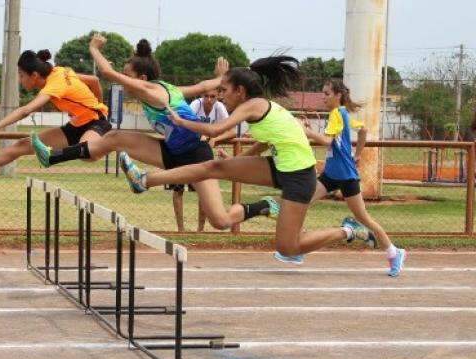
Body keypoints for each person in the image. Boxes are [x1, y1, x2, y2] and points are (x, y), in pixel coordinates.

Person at [119, 55, 378, 262]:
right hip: (280, 166)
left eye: (224, 90)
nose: (220, 96)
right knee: (213, 167)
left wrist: (179, 120)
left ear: (240, 91)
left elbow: (213, 130)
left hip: (299, 177)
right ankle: (144, 179)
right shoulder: (257, 107)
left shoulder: (252, 105)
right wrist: (239, 160)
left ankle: (348, 230)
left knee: (289, 248)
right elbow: (265, 141)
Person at [31, 34, 277, 231]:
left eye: (128, 75)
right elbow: (201, 86)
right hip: (168, 151)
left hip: (196, 156)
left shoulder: (153, 93)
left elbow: (107, 73)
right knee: (116, 137)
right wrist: (220, 77)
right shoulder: (167, 88)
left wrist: (94, 48)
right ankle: (53, 156)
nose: (123, 81)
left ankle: (263, 205)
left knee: (220, 221)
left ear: (142, 78)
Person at [0, 49, 111, 183]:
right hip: (77, 124)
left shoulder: (54, 85)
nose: (20, 81)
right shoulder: (60, 71)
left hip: (97, 123)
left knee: (88, 151)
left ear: (34, 75)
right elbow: (94, 80)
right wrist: (95, 104)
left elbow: (25, 111)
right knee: (22, 145)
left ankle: (52, 156)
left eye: (21, 76)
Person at [302, 79, 406, 276]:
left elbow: (327, 141)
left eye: (326, 94)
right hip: (332, 174)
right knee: (303, 202)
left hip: (346, 176)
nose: (323, 97)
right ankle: (299, 247)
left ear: (338, 95)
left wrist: (307, 131)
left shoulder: (336, 114)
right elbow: (363, 130)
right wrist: (356, 155)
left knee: (363, 217)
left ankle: (394, 251)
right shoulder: (341, 114)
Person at [168, 89, 235, 232]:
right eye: (206, 96)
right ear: (201, 96)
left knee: (203, 192)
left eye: (213, 97)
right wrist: (202, 134)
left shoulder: (219, 108)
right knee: (178, 189)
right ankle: (181, 229)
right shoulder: (194, 105)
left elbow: (232, 131)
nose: (209, 100)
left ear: (218, 97)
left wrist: (214, 138)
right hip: (184, 148)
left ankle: (200, 229)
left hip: (201, 152)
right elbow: (183, 124)